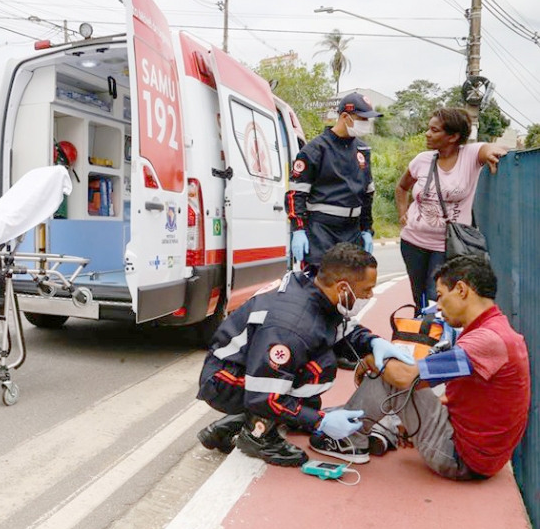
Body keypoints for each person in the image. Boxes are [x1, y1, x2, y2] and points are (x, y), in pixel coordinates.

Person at [310, 256, 530, 480]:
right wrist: (413, 414)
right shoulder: (495, 330)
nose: (438, 306)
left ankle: (350, 439)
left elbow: (406, 377)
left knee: (391, 372)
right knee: (398, 375)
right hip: (477, 452)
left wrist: (369, 359)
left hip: (460, 458)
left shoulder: (487, 340)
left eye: (442, 296)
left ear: (462, 290)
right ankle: (379, 428)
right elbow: (432, 383)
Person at [195, 243, 414, 467]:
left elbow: (339, 329)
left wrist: (372, 342)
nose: (370, 294)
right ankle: (258, 437)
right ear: (343, 288)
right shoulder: (292, 327)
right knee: (317, 371)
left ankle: (231, 425)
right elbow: (265, 396)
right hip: (224, 380)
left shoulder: (313, 287)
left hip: (244, 365)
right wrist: (320, 422)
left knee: (305, 391)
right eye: (366, 289)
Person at [395, 108, 507, 312]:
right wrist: (403, 213)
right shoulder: (422, 160)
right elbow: (402, 187)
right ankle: (423, 337)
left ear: (453, 137)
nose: (427, 134)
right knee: (419, 297)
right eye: (428, 129)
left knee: (436, 297)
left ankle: (440, 340)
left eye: (434, 130)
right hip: (413, 241)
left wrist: (492, 152)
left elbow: (489, 148)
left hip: (447, 245)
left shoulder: (469, 155)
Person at [286, 92, 382, 273]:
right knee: (319, 284)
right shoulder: (315, 150)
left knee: (350, 285)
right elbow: (296, 193)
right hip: (321, 229)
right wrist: (298, 229)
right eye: (362, 119)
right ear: (345, 117)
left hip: (352, 229)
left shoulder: (362, 149)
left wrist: (367, 229)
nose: (367, 124)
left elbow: (367, 194)